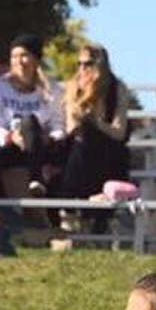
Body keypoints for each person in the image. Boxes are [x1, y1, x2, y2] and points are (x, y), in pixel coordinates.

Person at [0, 33, 66, 196]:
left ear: (36, 60)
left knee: (29, 121)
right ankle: (2, 205)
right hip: (11, 146)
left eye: (24, 55)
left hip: (42, 148)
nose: (18, 61)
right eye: (14, 56)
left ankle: (36, 180)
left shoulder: (52, 89)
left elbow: (58, 124)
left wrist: (49, 138)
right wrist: (11, 137)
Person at [59, 43, 132, 231]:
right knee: (80, 138)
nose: (83, 69)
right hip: (78, 151)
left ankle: (75, 206)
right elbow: (70, 129)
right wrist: (79, 112)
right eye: (80, 64)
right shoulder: (73, 87)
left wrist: (96, 120)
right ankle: (74, 206)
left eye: (88, 64)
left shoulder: (116, 88)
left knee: (89, 132)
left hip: (107, 148)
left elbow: (119, 132)